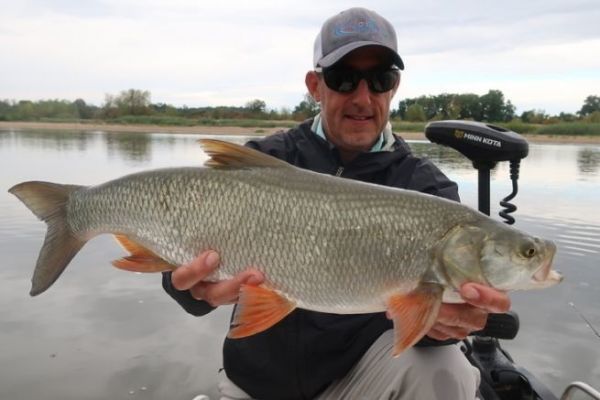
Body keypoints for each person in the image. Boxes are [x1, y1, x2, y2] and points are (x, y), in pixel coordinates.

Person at [163, 7, 510, 400]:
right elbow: (181, 265)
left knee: (448, 370)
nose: (363, 98)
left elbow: (428, 323)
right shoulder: (266, 159)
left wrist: (443, 323)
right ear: (315, 85)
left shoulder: (424, 187)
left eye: (379, 80)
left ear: (393, 88)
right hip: (255, 384)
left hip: (360, 380)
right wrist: (190, 290)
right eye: (344, 79)